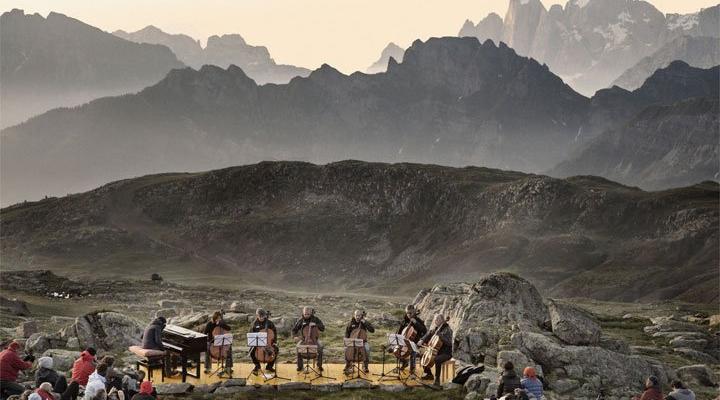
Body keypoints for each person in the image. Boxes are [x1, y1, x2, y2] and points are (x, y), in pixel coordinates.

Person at [417, 314, 453, 386]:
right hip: (436, 351)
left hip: (446, 352)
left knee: (437, 359)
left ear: (443, 321)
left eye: (438, 319)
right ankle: (429, 374)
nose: (435, 321)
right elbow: (428, 334)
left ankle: (437, 380)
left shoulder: (448, 330)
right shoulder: (436, 328)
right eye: (435, 319)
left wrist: (440, 335)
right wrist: (422, 340)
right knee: (422, 355)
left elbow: (449, 343)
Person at [292, 306, 325, 372]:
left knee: (320, 348)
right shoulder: (301, 320)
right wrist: (295, 336)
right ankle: (300, 366)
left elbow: (322, 328)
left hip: (314, 339)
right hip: (304, 339)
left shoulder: (316, 319)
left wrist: (316, 324)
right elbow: (294, 330)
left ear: (311, 313)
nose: (306, 316)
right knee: (298, 348)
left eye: (308, 314)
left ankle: (319, 366)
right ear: (303, 313)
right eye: (305, 314)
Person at [395, 304, 427, 373]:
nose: (408, 314)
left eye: (410, 313)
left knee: (413, 351)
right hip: (405, 341)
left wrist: (415, 322)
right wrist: (397, 336)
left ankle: (412, 370)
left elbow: (424, 330)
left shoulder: (418, 320)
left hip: (415, 342)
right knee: (396, 350)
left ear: (414, 312)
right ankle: (404, 362)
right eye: (407, 313)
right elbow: (399, 331)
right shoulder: (405, 320)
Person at [343, 309, 374, 374]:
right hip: (352, 342)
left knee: (367, 349)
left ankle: (365, 366)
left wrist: (365, 322)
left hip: (363, 342)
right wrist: (346, 343)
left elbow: (372, 330)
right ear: (354, 315)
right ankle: (348, 365)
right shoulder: (350, 323)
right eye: (356, 315)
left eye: (359, 315)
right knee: (346, 349)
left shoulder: (364, 322)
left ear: (361, 316)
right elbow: (347, 334)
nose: (357, 317)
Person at [249, 308, 278, 374]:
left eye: (263, 316)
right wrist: (255, 343)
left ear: (265, 315)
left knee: (276, 350)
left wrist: (274, 342)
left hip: (269, 343)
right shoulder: (254, 324)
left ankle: (269, 366)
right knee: (251, 351)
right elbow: (251, 334)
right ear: (257, 316)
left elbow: (275, 332)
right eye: (260, 316)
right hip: (258, 344)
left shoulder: (270, 323)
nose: (262, 318)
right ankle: (257, 365)